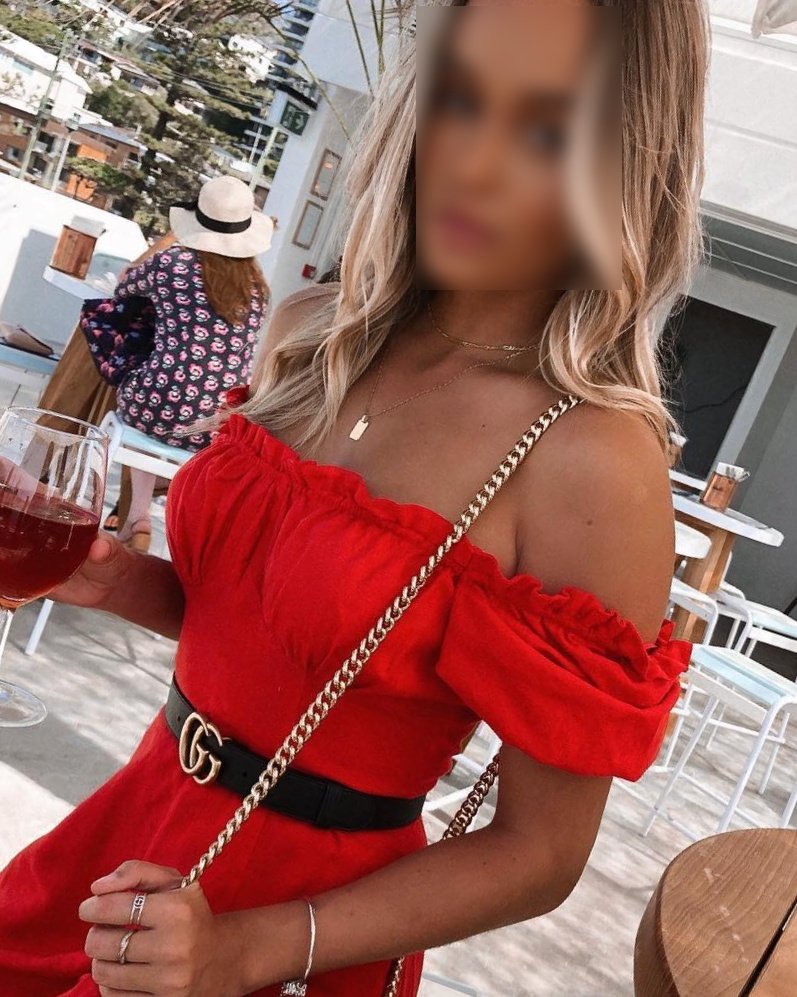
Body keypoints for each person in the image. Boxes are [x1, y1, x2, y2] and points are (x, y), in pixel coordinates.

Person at [0, 2, 707, 995]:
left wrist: (247, 949)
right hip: (129, 845)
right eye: (461, 100)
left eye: (546, 130)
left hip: (292, 937)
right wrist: (118, 583)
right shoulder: (315, 334)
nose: (475, 163)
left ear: (628, 164)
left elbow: (540, 852)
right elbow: (275, 638)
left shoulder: (590, 460)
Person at [105, 176, 272, 550]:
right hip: (218, 422)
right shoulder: (256, 286)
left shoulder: (172, 263)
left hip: (159, 403)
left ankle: (137, 516)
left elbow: (123, 289)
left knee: (141, 392)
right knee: (171, 400)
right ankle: (167, 526)